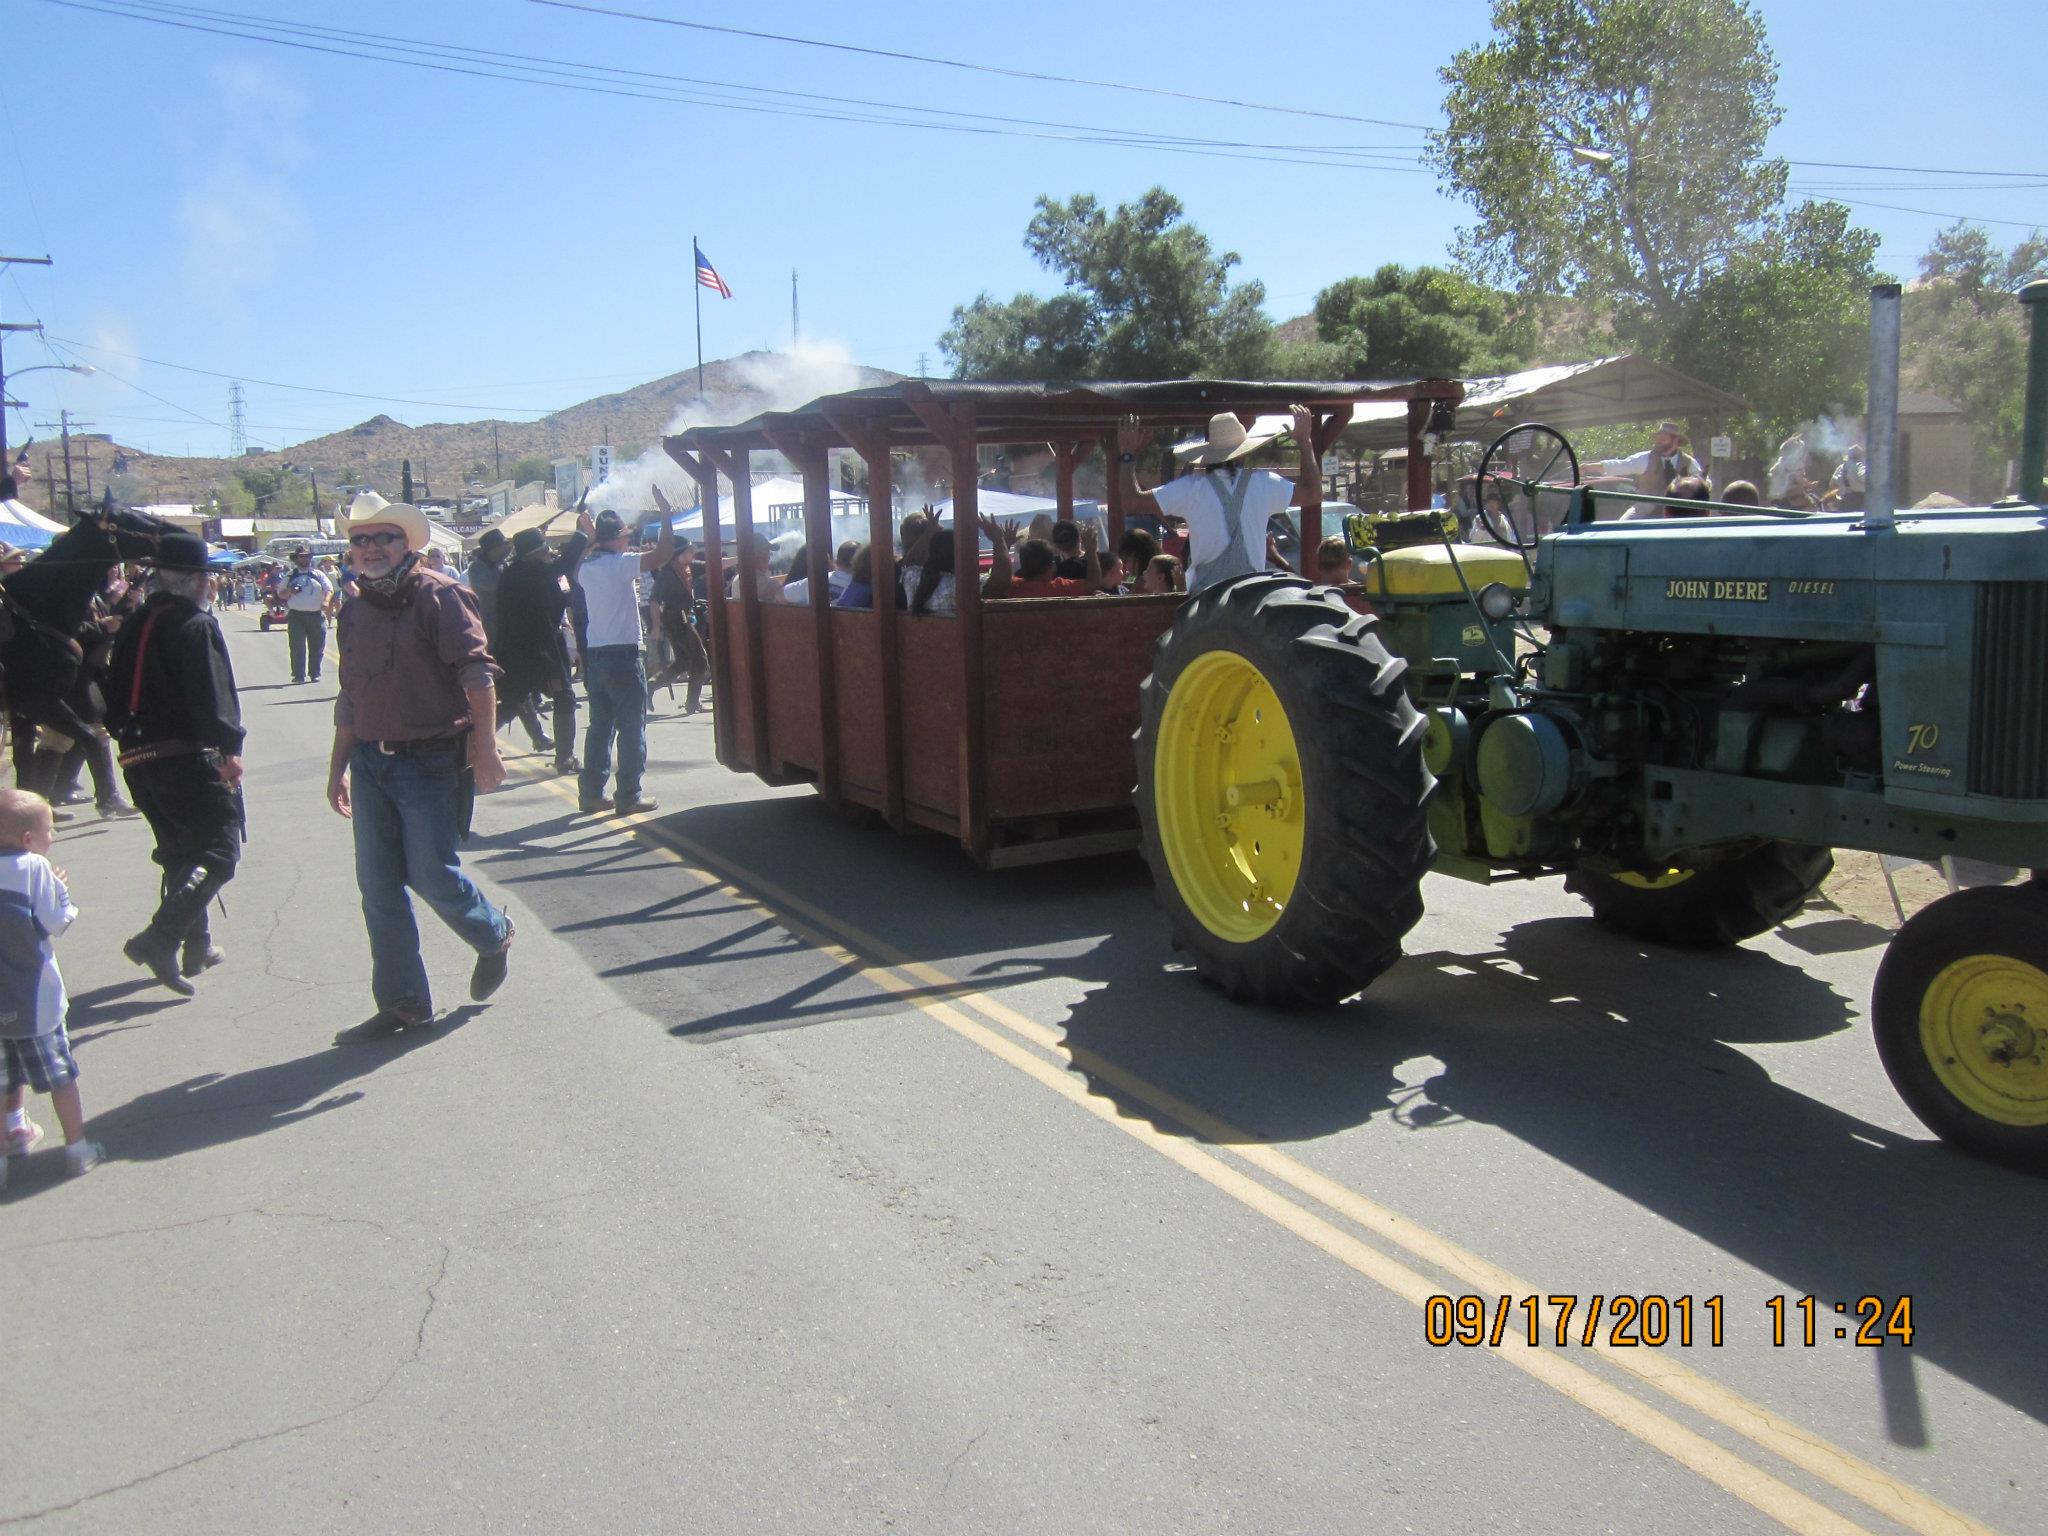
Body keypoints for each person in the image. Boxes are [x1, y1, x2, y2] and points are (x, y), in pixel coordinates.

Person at [327, 492, 512, 1030]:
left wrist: (487, 749)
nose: (369, 548)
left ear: (405, 543)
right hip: (370, 762)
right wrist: (337, 767)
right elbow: (350, 696)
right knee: (378, 885)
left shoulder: (441, 596)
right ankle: (404, 1003)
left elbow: (477, 675)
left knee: (431, 874)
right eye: (360, 540)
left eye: (381, 538)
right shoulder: (355, 607)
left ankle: (492, 933)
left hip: (430, 761)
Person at [105, 530, 246, 994]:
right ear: (196, 581)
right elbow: (213, 698)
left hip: (137, 757)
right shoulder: (195, 624)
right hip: (185, 756)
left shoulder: (132, 622)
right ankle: (160, 938)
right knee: (218, 852)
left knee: (181, 853)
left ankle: (197, 945)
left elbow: (109, 694)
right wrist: (230, 750)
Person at [0, 788, 102, 1183]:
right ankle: (77, 1148)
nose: (52, 838)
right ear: (28, 840)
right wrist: (61, 889)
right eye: (49, 831)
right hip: (36, 999)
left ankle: (7, 1152)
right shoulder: (34, 868)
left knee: (4, 1078)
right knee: (61, 1075)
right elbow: (55, 921)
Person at [574, 494, 675, 816]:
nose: (629, 540)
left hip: (597, 655)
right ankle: (629, 795)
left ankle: (592, 793)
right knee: (632, 727)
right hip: (622, 655)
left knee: (600, 726)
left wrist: (589, 538)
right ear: (617, 539)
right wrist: (666, 514)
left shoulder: (586, 567)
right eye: (625, 536)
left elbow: (579, 562)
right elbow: (662, 554)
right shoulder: (619, 564)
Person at [1114, 412, 1293, 591]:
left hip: (1206, 596)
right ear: (1243, 452)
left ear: (1209, 453)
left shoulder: (1192, 488)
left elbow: (1132, 501)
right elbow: (1313, 493)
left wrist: (1128, 456)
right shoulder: (1265, 483)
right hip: (1251, 592)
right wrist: (1306, 444)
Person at [496, 519, 592, 776]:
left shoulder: (515, 572)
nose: (547, 552)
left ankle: (471, 744)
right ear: (534, 553)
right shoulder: (531, 572)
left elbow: (559, 587)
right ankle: (565, 758)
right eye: (543, 549)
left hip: (521, 651)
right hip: (540, 651)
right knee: (564, 699)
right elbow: (564, 563)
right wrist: (581, 532)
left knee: (512, 702)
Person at [646, 540, 709, 713]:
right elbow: (654, 601)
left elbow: (716, 564)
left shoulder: (689, 567)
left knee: (683, 661)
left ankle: (652, 685)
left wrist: (741, 556)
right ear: (679, 553)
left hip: (683, 617)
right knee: (700, 660)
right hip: (676, 619)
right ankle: (692, 703)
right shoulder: (667, 573)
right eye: (690, 551)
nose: (693, 554)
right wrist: (656, 627)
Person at [1585, 422, 1704, 507]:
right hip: (1646, 505)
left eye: (1663, 438)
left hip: (1679, 506)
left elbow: (1704, 482)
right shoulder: (1645, 458)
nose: (1658, 440)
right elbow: (1621, 465)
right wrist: (1588, 467)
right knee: (1624, 525)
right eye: (1658, 437)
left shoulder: (1689, 462)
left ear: (1676, 440)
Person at [280, 545, 334, 684]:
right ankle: (298, 675)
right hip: (296, 615)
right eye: (302, 556)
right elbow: (281, 593)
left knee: (317, 645)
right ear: (296, 558)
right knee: (297, 646)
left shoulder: (318, 574)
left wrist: (326, 601)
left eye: (307, 556)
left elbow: (329, 589)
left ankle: (315, 673)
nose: (305, 559)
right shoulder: (291, 575)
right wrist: (290, 591)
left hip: (316, 614)